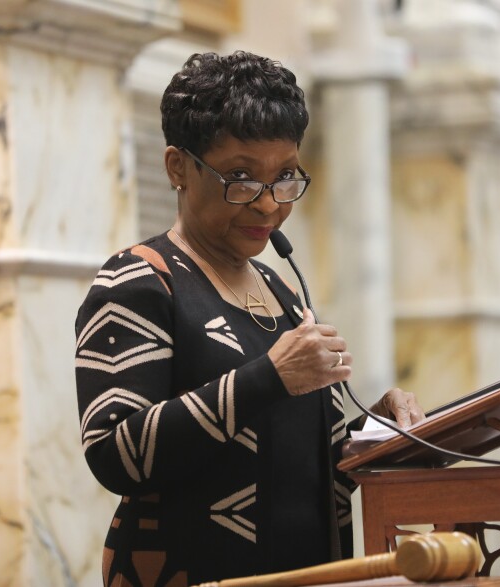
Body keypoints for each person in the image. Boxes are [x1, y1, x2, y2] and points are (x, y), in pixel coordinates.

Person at [74, 50, 423, 587]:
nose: (267, 205)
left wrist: (381, 432)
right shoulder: (140, 281)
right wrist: (268, 377)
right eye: (240, 177)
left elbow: (301, 468)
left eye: (284, 177)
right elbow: (114, 453)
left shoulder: (283, 293)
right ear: (178, 167)